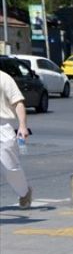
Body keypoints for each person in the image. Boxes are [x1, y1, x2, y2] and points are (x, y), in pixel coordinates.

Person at [0, 69, 33, 209]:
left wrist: (22, 126)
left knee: (10, 167)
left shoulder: (3, 78)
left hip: (3, 127)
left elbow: (18, 102)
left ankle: (24, 192)